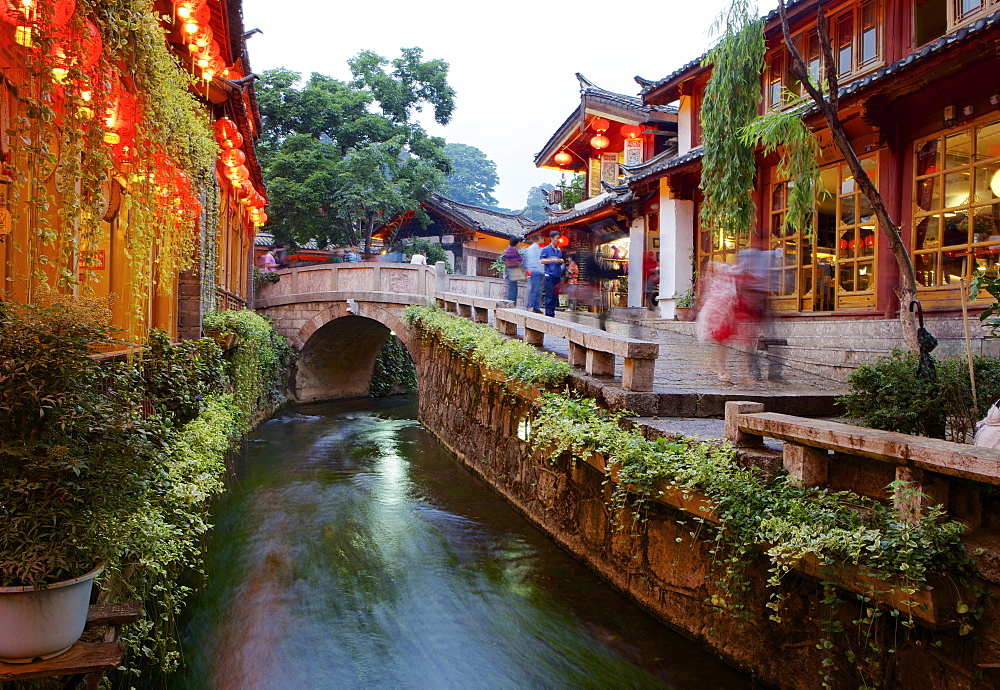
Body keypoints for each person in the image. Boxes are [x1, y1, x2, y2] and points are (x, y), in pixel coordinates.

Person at [540, 231, 565, 317]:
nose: (558, 240)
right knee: (549, 297)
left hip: (557, 276)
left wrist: (561, 261)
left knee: (555, 297)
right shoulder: (546, 249)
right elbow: (542, 261)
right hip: (549, 276)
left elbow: (559, 261)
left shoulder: (559, 250)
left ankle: (552, 314)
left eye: (559, 238)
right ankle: (548, 315)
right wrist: (552, 260)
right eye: (557, 238)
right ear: (552, 238)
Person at [523, 235, 544, 313]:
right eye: (541, 238)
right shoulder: (531, 248)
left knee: (539, 290)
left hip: (540, 271)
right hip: (535, 271)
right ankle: (530, 306)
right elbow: (531, 261)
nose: (543, 239)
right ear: (538, 238)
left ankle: (536, 307)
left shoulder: (539, 249)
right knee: (534, 289)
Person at [502, 237, 524, 303]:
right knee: (513, 288)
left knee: (512, 287)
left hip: (510, 269)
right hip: (513, 269)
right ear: (516, 243)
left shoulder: (508, 249)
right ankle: (512, 303)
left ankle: (511, 302)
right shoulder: (512, 250)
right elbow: (519, 259)